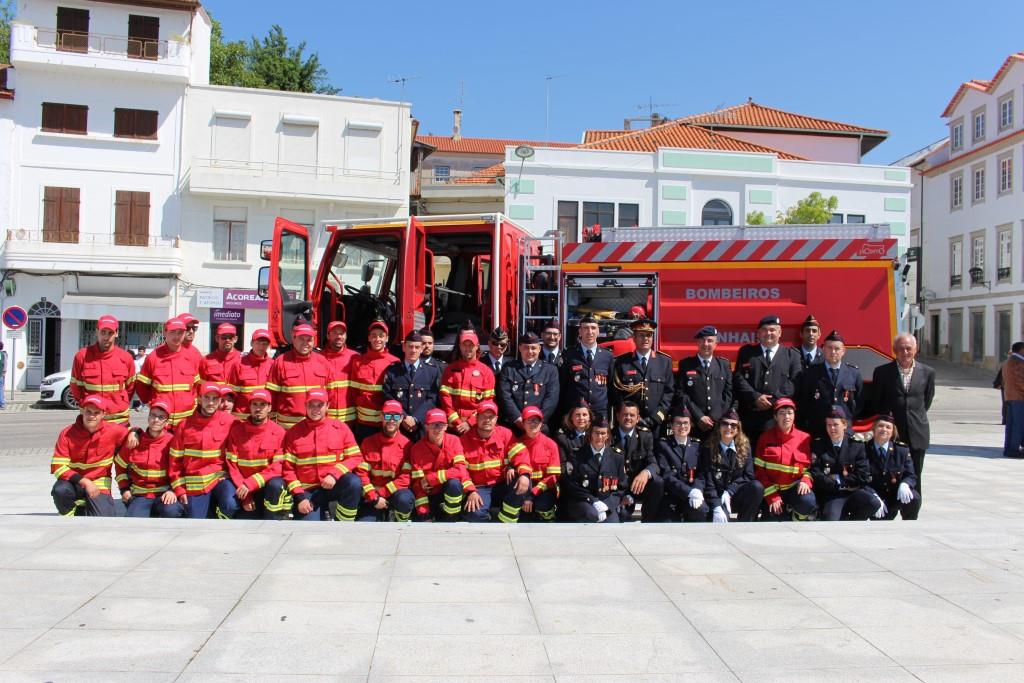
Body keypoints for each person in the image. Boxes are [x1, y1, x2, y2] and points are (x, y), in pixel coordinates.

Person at [281, 388, 364, 521]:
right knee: (309, 532)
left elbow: (355, 457)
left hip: (334, 485)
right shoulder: (293, 433)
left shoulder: (340, 428)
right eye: (311, 405)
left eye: (320, 405)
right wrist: (300, 498)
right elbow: (288, 470)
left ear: (327, 406)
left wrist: (334, 474)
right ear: (305, 406)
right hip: (308, 491)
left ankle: (343, 524)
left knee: (354, 483)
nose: (315, 409)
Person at [870, 333, 936, 491]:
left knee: (915, 478)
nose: (905, 352)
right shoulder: (882, 372)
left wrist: (912, 416)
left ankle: (912, 512)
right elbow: (877, 402)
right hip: (893, 434)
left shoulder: (927, 372)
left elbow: (927, 400)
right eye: (900, 349)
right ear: (894, 350)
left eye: (908, 348)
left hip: (917, 433)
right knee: (890, 476)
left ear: (916, 349)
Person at [168, 382, 239, 519]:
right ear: (199, 399)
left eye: (215, 399)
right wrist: (179, 489)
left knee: (231, 504)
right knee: (196, 522)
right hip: (195, 484)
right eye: (207, 398)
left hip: (219, 478)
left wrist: (232, 475)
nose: (211, 403)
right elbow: (174, 462)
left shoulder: (231, 422)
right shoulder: (184, 425)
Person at [50, 395, 129, 517]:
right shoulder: (67, 433)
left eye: (96, 413)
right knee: (60, 491)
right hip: (74, 482)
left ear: (103, 414)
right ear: (82, 411)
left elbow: (134, 434)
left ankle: (85, 507)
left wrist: (135, 433)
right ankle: (70, 515)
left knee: (104, 521)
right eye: (88, 412)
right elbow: (58, 466)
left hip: (99, 482)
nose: (91, 416)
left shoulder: (113, 430)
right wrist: (85, 482)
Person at [733, 315, 802, 450]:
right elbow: (738, 378)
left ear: (780, 332)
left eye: (772, 330)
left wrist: (773, 400)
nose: (768, 333)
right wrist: (755, 397)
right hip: (749, 418)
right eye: (764, 330)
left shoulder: (792, 355)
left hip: (776, 420)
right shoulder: (747, 352)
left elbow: (794, 383)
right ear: (758, 333)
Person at [224, 389, 289, 520]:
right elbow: (232, 467)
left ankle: (274, 519)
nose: (258, 409)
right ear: (249, 407)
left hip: (267, 488)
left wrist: (252, 482)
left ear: (269, 408)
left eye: (262, 405)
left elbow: (277, 467)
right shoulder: (237, 432)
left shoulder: (279, 433)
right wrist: (246, 496)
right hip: (245, 490)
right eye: (255, 404)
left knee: (276, 485)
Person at [115, 400, 183, 518]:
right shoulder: (135, 441)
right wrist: (124, 489)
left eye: (161, 417)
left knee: (172, 511)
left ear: (167, 422)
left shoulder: (172, 442)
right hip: (141, 495)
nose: (156, 420)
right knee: (132, 523)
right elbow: (120, 466)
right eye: (153, 415)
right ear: (148, 417)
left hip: (164, 494)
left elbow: (181, 470)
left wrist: (173, 491)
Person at [753, 398, 816, 521]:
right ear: (775, 417)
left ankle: (796, 519)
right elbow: (759, 471)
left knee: (808, 502)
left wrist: (805, 480)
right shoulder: (765, 438)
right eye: (782, 413)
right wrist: (772, 496)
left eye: (790, 413)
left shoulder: (805, 438)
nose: (786, 417)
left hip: (794, 489)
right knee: (772, 525)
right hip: (773, 490)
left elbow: (810, 468)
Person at [808, 406, 876, 521]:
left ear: (844, 425)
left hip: (853, 492)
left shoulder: (856, 445)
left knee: (872, 503)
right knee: (831, 520)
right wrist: (835, 484)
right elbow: (816, 473)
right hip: (831, 494)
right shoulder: (819, 445)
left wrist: (840, 481)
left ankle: (853, 521)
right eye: (828, 425)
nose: (832, 428)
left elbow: (863, 474)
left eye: (835, 424)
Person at [354, 400, 415, 522]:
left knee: (405, 500)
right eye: (387, 416)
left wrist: (383, 492)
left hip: (396, 495)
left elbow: (405, 478)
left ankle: (399, 521)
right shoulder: (368, 442)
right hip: (372, 498)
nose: (391, 420)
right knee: (365, 528)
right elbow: (361, 474)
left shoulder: (408, 445)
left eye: (396, 416)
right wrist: (373, 497)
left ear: (401, 418)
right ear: (381, 416)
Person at [610, 319, 674, 434]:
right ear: (634, 338)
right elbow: (616, 393)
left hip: (656, 425)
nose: (645, 339)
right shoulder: (622, 362)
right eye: (641, 335)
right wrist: (629, 416)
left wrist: (656, 418)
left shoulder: (664, 361)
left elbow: (668, 393)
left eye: (649, 335)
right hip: (629, 424)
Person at [699, 409, 764, 523]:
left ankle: (745, 523)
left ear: (738, 429)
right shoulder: (708, 448)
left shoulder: (745, 447)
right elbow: (708, 480)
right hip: (716, 495)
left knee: (756, 487)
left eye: (733, 425)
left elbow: (748, 476)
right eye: (725, 424)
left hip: (734, 494)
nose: (729, 428)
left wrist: (730, 491)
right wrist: (716, 505)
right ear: (719, 427)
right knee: (722, 521)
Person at [70, 314, 137, 424]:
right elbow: (75, 387)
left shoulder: (126, 358)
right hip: (92, 420)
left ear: (116, 333)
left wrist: (120, 403)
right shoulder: (82, 356)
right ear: (97, 332)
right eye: (103, 332)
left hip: (118, 420)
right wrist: (85, 403)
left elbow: (130, 387)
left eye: (110, 333)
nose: (106, 337)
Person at [795, 330, 863, 437]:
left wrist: (848, 417)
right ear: (823, 349)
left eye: (837, 349)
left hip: (844, 430)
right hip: (819, 429)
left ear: (843, 351)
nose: (833, 352)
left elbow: (859, 402)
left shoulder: (854, 373)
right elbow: (804, 400)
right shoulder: (811, 373)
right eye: (829, 348)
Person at [561, 415, 627, 523]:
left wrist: (608, 504)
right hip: (583, 502)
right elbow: (571, 485)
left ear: (607, 436)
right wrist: (593, 501)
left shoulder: (617, 457)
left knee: (613, 523)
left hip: (605, 503)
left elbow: (622, 487)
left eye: (603, 433)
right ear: (590, 433)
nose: (599, 437)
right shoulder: (576, 455)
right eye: (596, 433)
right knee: (591, 515)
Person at [135, 317, 200, 426]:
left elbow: (197, 386)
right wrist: (154, 405)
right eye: (173, 332)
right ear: (165, 332)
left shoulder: (193, 356)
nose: (176, 336)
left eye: (180, 332)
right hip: (162, 423)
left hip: (187, 422)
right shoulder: (153, 357)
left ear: (184, 334)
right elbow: (142, 387)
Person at [459, 400, 517, 522]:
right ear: (476, 417)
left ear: (496, 419)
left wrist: (513, 467)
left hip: (502, 484)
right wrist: (470, 491)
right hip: (479, 488)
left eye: (491, 417)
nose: (487, 420)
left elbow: (520, 455)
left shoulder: (506, 434)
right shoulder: (464, 440)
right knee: (474, 515)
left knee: (522, 480)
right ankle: (493, 515)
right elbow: (461, 470)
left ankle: (507, 517)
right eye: (483, 416)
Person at [501, 406, 561, 522]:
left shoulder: (551, 444)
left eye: (536, 421)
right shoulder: (516, 443)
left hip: (544, 488)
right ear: (523, 423)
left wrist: (532, 495)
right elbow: (507, 461)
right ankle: (507, 522)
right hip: (523, 485)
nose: (533, 424)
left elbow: (553, 477)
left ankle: (548, 519)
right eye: (529, 420)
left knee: (543, 504)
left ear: (541, 424)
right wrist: (509, 468)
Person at [265, 323, 331, 429]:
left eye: (309, 340)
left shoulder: (323, 362)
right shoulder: (280, 362)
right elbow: (271, 396)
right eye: (301, 339)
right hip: (288, 428)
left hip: (316, 426)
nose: (305, 343)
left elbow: (330, 395)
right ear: (293, 339)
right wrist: (272, 425)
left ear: (314, 341)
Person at [408, 408, 469, 521]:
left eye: (441, 425)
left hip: (448, 493)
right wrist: (424, 513)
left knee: (454, 484)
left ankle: (450, 517)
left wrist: (431, 478)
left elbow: (460, 471)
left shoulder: (454, 441)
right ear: (426, 426)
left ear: (446, 427)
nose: (438, 429)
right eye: (434, 425)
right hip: (429, 496)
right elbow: (418, 485)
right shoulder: (416, 448)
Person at [674, 325, 732, 438]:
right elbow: (681, 393)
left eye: (710, 341)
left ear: (716, 344)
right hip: (694, 423)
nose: (706, 344)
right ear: (697, 343)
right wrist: (699, 416)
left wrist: (714, 417)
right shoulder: (686, 364)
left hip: (717, 424)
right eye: (702, 340)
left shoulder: (724, 365)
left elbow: (728, 394)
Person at [382, 330, 441, 440]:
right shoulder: (392, 371)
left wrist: (415, 419)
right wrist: (404, 417)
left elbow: (432, 399)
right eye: (410, 346)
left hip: (421, 427)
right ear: (404, 347)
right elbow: (388, 396)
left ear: (422, 349)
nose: (413, 350)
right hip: (398, 426)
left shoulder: (431, 371)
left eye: (417, 347)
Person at [496, 332, 560, 434]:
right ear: (520, 348)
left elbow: (551, 399)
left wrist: (537, 421)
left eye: (533, 348)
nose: (530, 351)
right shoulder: (509, 368)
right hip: (514, 426)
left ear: (539, 349)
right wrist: (517, 419)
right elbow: (504, 396)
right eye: (526, 348)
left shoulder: (550, 370)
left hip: (539, 427)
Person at [612, 401, 664, 522]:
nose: (628, 418)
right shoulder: (609, 436)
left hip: (638, 487)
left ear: (638, 418)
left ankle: (649, 521)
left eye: (632, 415)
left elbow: (654, 463)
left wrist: (646, 472)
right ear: (618, 416)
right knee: (623, 517)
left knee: (658, 482)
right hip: (619, 489)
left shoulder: (645, 435)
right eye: (625, 414)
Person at [349, 319, 400, 441]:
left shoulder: (395, 362)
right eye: (374, 336)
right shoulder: (358, 362)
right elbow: (353, 391)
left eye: (381, 336)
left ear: (387, 338)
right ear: (369, 338)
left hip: (388, 423)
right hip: (364, 423)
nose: (377, 339)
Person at [864, 414, 921, 520]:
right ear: (874, 429)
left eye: (888, 427)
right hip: (874, 497)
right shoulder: (863, 450)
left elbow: (911, 475)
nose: (884, 429)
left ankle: (910, 525)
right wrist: (873, 495)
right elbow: (861, 479)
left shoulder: (901, 450)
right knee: (881, 525)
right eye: (880, 426)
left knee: (914, 497)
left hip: (894, 494)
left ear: (893, 431)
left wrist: (905, 484)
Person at [655, 408, 708, 522]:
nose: (682, 426)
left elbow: (701, 473)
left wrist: (697, 490)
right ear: (672, 426)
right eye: (678, 423)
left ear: (691, 425)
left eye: (685, 423)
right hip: (671, 496)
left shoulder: (697, 446)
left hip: (692, 495)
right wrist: (688, 492)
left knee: (701, 510)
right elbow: (667, 475)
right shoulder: (663, 445)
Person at [439, 328, 495, 434]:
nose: (468, 348)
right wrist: (456, 421)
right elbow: (445, 398)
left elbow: (488, 402)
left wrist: (470, 422)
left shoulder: (486, 372)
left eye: (471, 345)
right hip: (453, 428)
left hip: (475, 427)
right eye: (465, 345)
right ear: (460, 346)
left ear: (477, 346)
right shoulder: (450, 370)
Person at [559, 314, 613, 420]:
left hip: (599, 413)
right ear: (580, 331)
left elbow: (611, 387)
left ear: (598, 331)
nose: (590, 332)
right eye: (585, 328)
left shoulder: (607, 356)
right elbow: (562, 386)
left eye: (593, 328)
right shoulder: (569, 355)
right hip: (576, 413)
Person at [226, 329, 274, 420]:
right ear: (251, 343)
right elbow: (231, 394)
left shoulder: (273, 365)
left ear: (268, 346)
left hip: (263, 418)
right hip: (242, 418)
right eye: (258, 343)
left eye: (264, 344)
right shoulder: (239, 364)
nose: (261, 346)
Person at [321, 321, 358, 425]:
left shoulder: (355, 358)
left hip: (351, 420)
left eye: (341, 333)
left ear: (346, 336)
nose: (339, 336)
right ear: (328, 336)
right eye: (335, 333)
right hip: (327, 419)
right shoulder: (319, 358)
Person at [999, 342, 1024, 459]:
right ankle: (1013, 450)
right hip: (1019, 398)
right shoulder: (1018, 363)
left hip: (1010, 397)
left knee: (1011, 425)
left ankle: (1009, 449)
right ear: (1021, 350)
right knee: (1018, 425)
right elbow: (1020, 382)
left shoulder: (1007, 362)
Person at [0, 340, 6, 410]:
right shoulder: (3, 354)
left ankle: (2, 404)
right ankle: (2, 404)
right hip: (1, 374)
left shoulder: (0, 354)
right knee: (1, 389)